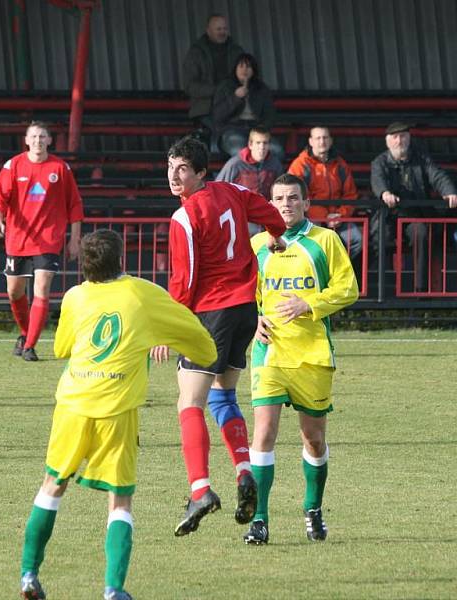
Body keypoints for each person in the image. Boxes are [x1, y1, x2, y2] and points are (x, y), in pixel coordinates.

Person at [18, 229, 216, 600]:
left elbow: (62, 348)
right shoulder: (143, 295)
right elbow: (203, 345)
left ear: (84, 267)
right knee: (120, 500)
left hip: (73, 405)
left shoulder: (75, 296)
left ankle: (29, 574)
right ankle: (113, 589)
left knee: (52, 486)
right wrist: (170, 340)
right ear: (121, 260)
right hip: (116, 411)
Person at [155, 135, 286, 537]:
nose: (175, 176)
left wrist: (173, 327)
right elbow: (268, 212)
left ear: (200, 173)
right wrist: (276, 234)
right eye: (171, 167)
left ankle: (200, 490)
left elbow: (185, 278)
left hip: (211, 313)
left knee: (188, 401)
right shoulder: (231, 190)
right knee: (223, 395)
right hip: (246, 310)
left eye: (183, 170)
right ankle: (244, 471)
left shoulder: (185, 216)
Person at [244, 173, 358, 545]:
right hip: (270, 351)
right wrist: (252, 320)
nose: (286, 205)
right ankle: (259, 520)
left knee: (313, 439)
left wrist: (310, 303)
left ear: (307, 203)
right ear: (270, 204)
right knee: (263, 433)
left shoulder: (325, 241)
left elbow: (348, 288)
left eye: (293, 198)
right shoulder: (258, 244)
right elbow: (244, 293)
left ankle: (313, 509)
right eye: (278, 199)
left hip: (311, 354)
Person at [0, 121, 83, 362]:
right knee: (14, 291)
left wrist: (75, 239)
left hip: (49, 238)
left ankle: (30, 345)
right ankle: (24, 333)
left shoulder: (60, 168)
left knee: (41, 287)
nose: (38, 141)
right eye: (34, 136)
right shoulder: (13, 166)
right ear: (26, 140)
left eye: (42, 137)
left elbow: (74, 204)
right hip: (18, 238)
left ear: (49, 141)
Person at [370, 122, 457, 292]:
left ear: (409, 138)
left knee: (422, 232)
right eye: (395, 137)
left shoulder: (421, 158)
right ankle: (379, 292)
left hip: (415, 216)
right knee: (376, 240)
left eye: (403, 136)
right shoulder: (379, 162)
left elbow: (437, 175)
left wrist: (450, 192)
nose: (399, 141)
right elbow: (378, 181)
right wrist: (385, 193)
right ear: (388, 142)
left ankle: (420, 289)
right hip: (390, 217)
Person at [288, 126, 362, 259]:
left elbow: (350, 195)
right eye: (318, 138)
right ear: (311, 141)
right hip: (311, 218)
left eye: (325, 137)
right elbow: (296, 197)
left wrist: (340, 215)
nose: (322, 141)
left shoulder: (340, 164)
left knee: (356, 240)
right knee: (317, 243)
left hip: (338, 218)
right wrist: (324, 217)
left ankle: (338, 271)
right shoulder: (300, 165)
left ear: (331, 140)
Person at [215, 125, 282, 235]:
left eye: (265, 143)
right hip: (242, 220)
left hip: (266, 221)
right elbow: (218, 190)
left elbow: (280, 191)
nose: (262, 147)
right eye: (258, 143)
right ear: (250, 144)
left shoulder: (275, 164)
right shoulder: (235, 164)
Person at [181, 14, 244, 131]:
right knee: (223, 132)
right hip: (205, 109)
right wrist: (218, 90)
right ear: (208, 31)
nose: (222, 32)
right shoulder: (196, 53)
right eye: (218, 29)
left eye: (225, 29)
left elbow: (248, 78)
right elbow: (190, 86)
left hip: (234, 107)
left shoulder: (236, 51)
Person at [212, 53, 280, 158]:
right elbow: (218, 115)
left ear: (253, 70)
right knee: (239, 151)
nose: (244, 70)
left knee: (276, 150)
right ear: (235, 69)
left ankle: (264, 174)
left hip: (256, 129)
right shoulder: (225, 86)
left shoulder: (261, 88)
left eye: (248, 67)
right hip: (232, 129)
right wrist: (236, 98)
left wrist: (262, 128)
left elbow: (270, 114)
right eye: (241, 66)